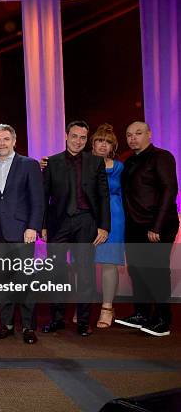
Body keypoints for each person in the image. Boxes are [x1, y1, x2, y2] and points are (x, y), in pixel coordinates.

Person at [41, 120, 110, 337]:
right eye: (74, 136)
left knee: (86, 273)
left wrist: (103, 226)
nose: (78, 141)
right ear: (66, 135)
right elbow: (44, 197)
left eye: (82, 137)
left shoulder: (95, 163)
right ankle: (57, 319)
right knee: (56, 273)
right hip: (58, 223)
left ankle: (83, 321)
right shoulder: (51, 162)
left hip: (85, 221)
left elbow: (103, 196)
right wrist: (42, 225)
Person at [116, 121, 179, 337]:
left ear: (149, 135)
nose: (133, 138)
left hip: (157, 225)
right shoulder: (129, 160)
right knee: (136, 270)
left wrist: (157, 226)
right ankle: (141, 314)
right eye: (129, 134)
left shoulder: (162, 156)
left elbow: (170, 190)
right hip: (134, 225)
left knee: (156, 272)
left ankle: (163, 320)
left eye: (138, 133)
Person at [0, 124, 44, 344]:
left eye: (6, 139)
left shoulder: (28, 164)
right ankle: (7, 325)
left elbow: (38, 200)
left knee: (25, 282)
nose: (2, 143)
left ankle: (29, 327)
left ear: (14, 141)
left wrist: (33, 227)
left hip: (23, 232)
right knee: (4, 282)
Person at [90, 124, 125, 328]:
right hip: (89, 215)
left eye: (108, 142)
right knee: (83, 262)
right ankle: (84, 306)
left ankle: (107, 308)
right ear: (92, 143)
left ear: (113, 146)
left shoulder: (119, 167)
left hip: (114, 216)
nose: (103, 145)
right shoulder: (83, 163)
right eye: (100, 140)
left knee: (109, 262)